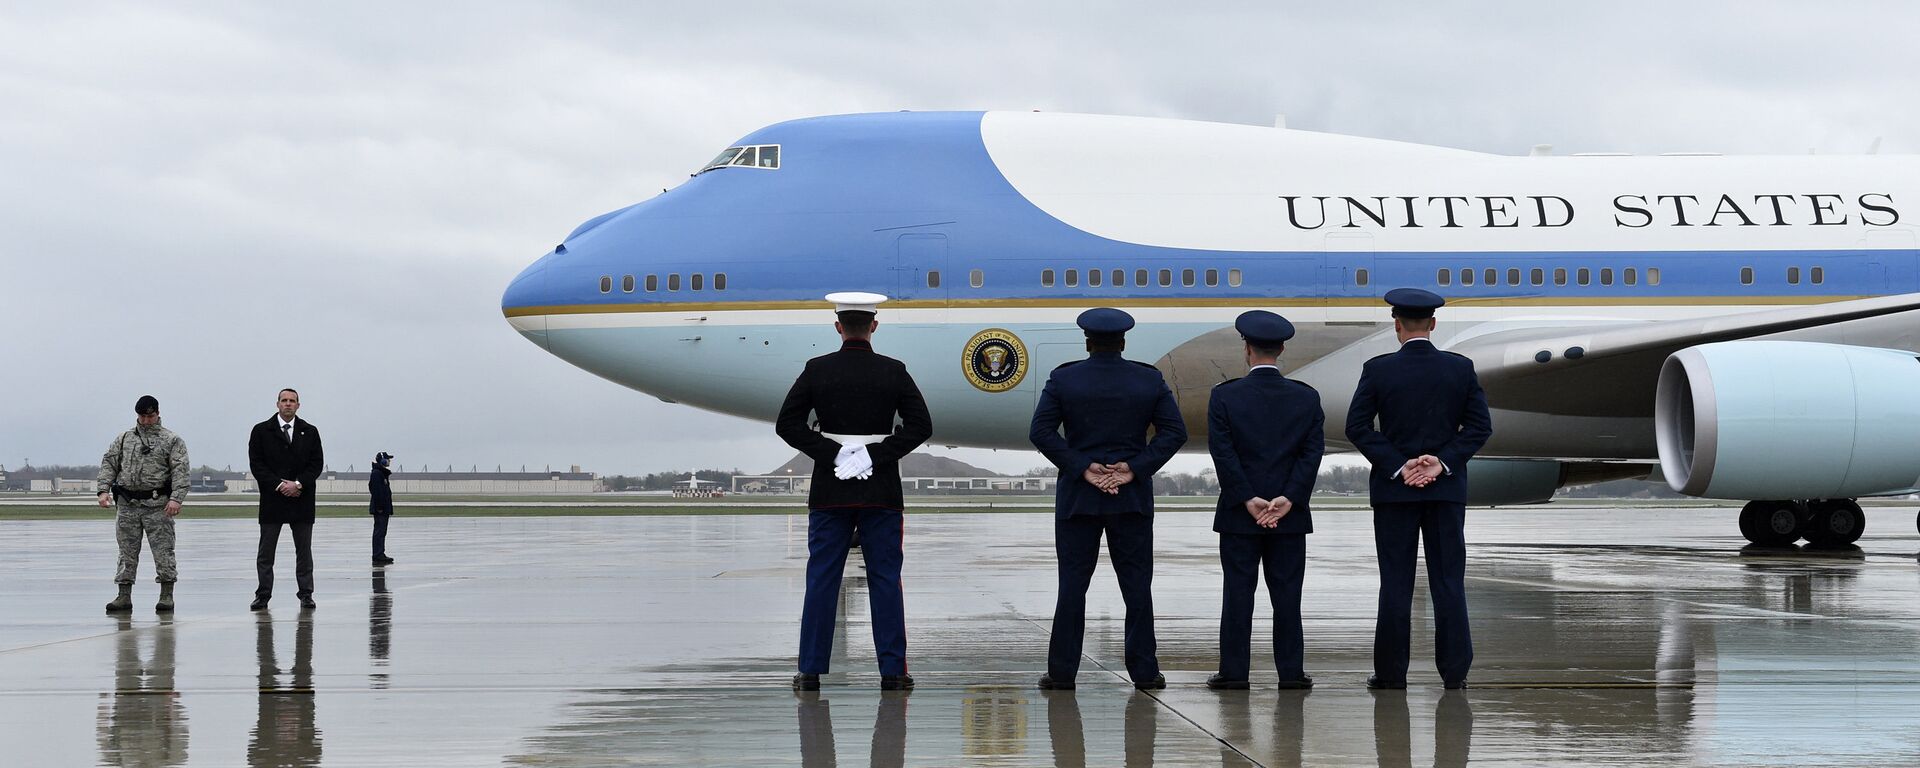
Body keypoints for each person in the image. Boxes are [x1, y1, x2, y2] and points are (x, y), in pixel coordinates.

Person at [775, 292, 933, 691]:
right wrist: (874, 456)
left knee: (822, 579)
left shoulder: (816, 369)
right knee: (885, 579)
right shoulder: (895, 370)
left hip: (831, 489)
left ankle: (810, 671)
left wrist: (835, 454)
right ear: (874, 326)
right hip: (881, 489)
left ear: (839, 327)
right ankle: (893, 672)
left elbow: (787, 425)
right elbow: (920, 426)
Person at [1029, 307, 1187, 691]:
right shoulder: (1147, 380)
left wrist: (1084, 468)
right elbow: (1173, 432)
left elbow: (1042, 432)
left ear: (1088, 342)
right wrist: (1132, 469)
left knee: (1072, 586)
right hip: (1130, 498)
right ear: (1123, 342)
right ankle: (1145, 672)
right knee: (1136, 587)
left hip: (1078, 498)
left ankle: (1063, 672)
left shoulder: (1064, 379)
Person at [1344, 288, 1492, 690]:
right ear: (1432, 324)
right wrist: (1440, 462)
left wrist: (1399, 465)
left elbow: (1356, 427)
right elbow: (1480, 428)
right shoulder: (1460, 368)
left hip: (1395, 494)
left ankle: (1391, 674)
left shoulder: (1378, 369)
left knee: (1395, 584)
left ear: (1397, 326)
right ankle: (1455, 673)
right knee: (1448, 582)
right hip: (1444, 491)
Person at [1205, 310, 1323, 690]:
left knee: (1238, 596)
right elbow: (1311, 454)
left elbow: (1223, 454)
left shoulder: (1224, 396)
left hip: (1240, 517)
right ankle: (1291, 673)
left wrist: (1246, 498)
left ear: (1247, 349)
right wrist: (1288, 498)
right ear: (1282, 348)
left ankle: (1234, 672)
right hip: (1289, 516)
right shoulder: (1305, 397)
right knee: (1288, 597)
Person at [96, 395, 190, 613]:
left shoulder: (171, 440)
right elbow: (109, 463)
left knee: (163, 551)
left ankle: (166, 595)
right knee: (126, 552)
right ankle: (123, 595)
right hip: (128, 504)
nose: (146, 420)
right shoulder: (124, 439)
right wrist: (103, 490)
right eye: (142, 416)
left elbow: (181, 471)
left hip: (157, 505)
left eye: (150, 416)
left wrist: (176, 498)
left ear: (158, 414)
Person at [248, 388, 324, 611]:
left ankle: (306, 594)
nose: (288, 404)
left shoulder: (310, 432)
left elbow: (316, 464)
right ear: (277, 404)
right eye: (284, 400)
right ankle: (263, 595)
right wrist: (280, 485)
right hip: (273, 500)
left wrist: (298, 484)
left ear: (298, 405)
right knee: (266, 553)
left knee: (304, 552)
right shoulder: (261, 431)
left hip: (302, 500)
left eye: (292, 401)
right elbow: (257, 464)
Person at [369, 452, 395, 565]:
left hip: (384, 508)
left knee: (382, 532)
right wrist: (380, 506)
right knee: (379, 532)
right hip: (380, 509)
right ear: (382, 460)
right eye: (387, 459)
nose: (389, 461)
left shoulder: (382, 473)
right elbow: (376, 491)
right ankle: (377, 554)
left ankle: (380, 553)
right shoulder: (377, 473)